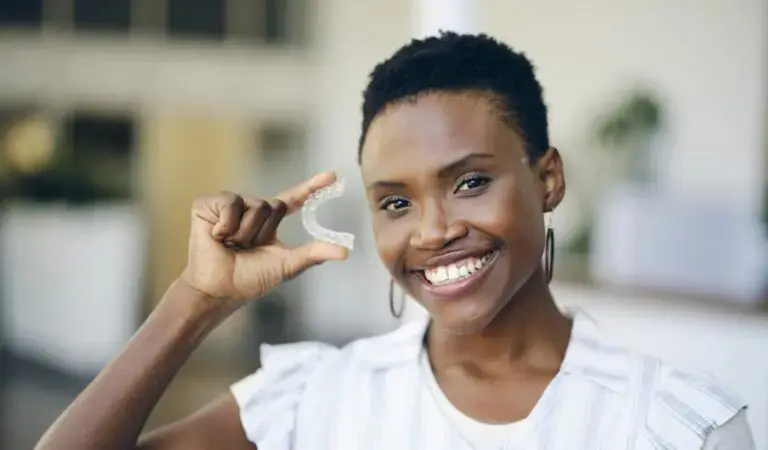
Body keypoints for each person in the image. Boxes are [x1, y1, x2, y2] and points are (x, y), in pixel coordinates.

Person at [36, 32, 755, 450]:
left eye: (471, 182)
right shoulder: (315, 400)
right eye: (396, 201)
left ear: (549, 179)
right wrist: (193, 302)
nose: (434, 229)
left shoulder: (674, 425)